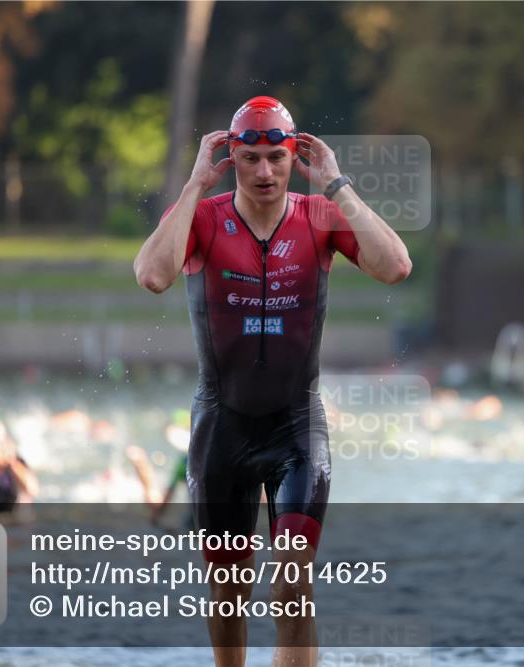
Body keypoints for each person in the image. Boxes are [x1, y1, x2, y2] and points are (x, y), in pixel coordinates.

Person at [133, 96, 412, 667]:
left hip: (296, 429)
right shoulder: (204, 218)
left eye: (276, 158)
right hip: (221, 429)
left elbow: (395, 266)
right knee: (229, 595)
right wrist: (192, 187)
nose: (264, 172)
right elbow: (152, 275)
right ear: (232, 158)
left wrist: (336, 186)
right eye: (251, 158)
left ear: (294, 157)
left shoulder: (319, 216)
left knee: (292, 582)